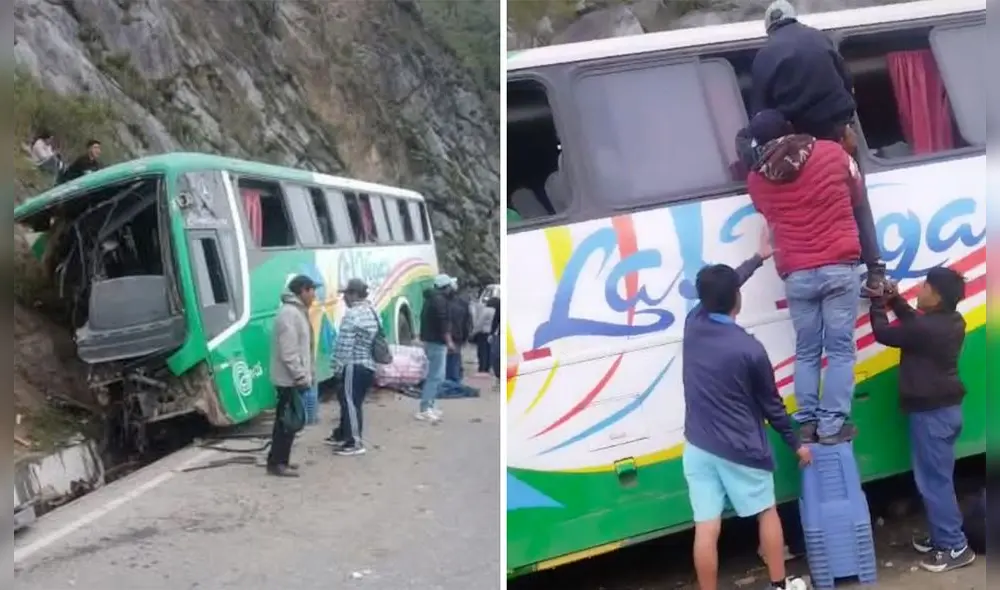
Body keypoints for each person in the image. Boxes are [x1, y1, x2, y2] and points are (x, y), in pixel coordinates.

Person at [682, 225, 811, 590]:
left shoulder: (694, 323)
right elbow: (772, 406)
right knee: (766, 512)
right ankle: (779, 585)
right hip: (740, 448)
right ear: (736, 299)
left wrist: (756, 259)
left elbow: (724, 287)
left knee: (706, 527)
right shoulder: (749, 349)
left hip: (696, 448)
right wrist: (796, 444)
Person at [750, 0, 887, 297]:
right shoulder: (820, 38)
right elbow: (847, 81)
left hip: (802, 143)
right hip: (840, 134)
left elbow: (760, 111)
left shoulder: (764, 56)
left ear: (769, 27)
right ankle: (875, 270)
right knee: (857, 198)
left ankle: (824, 273)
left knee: (809, 203)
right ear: (793, 18)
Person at [744, 109, 864, 445]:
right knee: (840, 350)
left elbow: (766, 210)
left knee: (807, 350)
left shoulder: (755, 179)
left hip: (796, 272)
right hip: (839, 265)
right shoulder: (831, 152)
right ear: (790, 128)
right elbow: (855, 193)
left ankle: (809, 422)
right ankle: (831, 426)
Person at [869, 268, 975, 573]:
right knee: (938, 481)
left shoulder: (928, 328)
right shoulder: (952, 321)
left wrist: (878, 303)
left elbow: (883, 334)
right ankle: (944, 536)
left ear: (937, 296)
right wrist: (895, 301)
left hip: (932, 416)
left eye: (926, 286)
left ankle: (955, 547)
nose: (921, 289)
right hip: (946, 412)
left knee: (934, 483)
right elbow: (916, 324)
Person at [266, 275, 317, 477]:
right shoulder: (289, 315)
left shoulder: (296, 312)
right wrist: (301, 377)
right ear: (303, 290)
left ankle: (279, 460)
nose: (314, 295)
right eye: (313, 290)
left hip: (291, 379)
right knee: (287, 423)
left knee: (286, 422)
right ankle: (278, 464)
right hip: (288, 380)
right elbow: (289, 354)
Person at [327, 278, 380, 456]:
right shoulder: (372, 311)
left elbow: (344, 345)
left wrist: (337, 366)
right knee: (355, 403)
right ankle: (346, 436)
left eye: (347, 294)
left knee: (350, 404)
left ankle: (354, 443)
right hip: (368, 365)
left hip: (353, 365)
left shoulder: (352, 315)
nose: (344, 298)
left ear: (354, 294)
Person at [416, 274, 455, 422]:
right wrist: (449, 341)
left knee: (437, 375)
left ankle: (430, 406)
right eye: (450, 286)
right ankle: (425, 408)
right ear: (446, 287)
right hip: (437, 343)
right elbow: (443, 322)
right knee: (435, 376)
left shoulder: (431, 299)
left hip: (431, 341)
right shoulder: (440, 301)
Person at [445, 279, 472, 384]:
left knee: (448, 357)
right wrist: (466, 336)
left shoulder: (444, 303)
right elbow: (467, 322)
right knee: (456, 357)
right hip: (458, 335)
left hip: (446, 335)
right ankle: (455, 380)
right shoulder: (463, 303)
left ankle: (449, 379)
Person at [471, 297, 496, 374]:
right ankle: (488, 367)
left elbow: (480, 323)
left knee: (482, 352)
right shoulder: (497, 311)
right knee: (489, 351)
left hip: (483, 333)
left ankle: (482, 368)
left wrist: (473, 333)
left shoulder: (486, 311)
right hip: (493, 334)